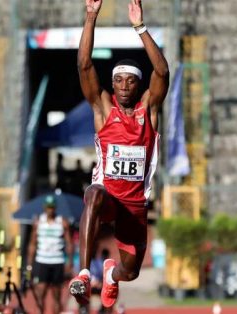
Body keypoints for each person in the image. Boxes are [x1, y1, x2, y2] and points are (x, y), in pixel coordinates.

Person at [69, 0, 169, 309]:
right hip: (109, 196)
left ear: (139, 86)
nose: (124, 86)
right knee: (94, 194)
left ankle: (111, 276)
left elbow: (162, 71)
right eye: (118, 80)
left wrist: (140, 27)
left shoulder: (148, 111)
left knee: (130, 271)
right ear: (112, 84)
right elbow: (84, 65)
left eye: (130, 80)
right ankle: (85, 273)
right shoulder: (104, 109)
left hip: (135, 205)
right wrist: (90, 17)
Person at [26, 195, 74, 314]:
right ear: (44, 207)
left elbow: (69, 244)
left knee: (57, 296)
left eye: (52, 207)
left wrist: (70, 262)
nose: (50, 209)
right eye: (48, 207)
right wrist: (29, 265)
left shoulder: (62, 222)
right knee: (40, 295)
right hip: (42, 261)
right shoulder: (38, 222)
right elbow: (32, 244)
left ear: (55, 208)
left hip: (57, 262)